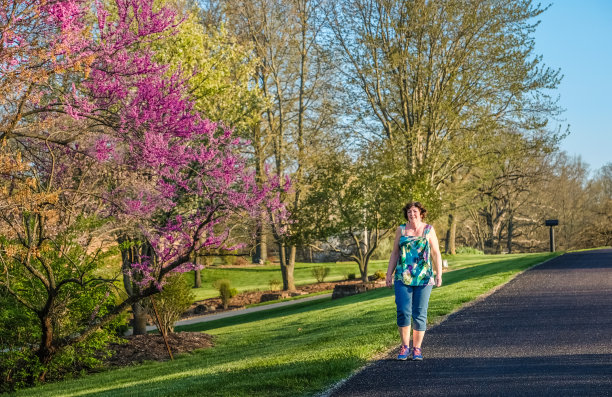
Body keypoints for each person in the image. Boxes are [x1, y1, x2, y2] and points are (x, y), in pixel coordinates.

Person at [385, 201, 443, 361]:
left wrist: (439, 274)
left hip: (424, 278)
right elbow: (395, 253)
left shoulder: (429, 230)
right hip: (402, 277)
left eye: (415, 211)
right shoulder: (401, 230)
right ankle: (405, 346)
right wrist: (388, 274)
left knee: (419, 313)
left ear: (421, 213)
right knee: (403, 311)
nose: (412, 214)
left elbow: (436, 253)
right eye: (409, 212)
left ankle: (417, 348)